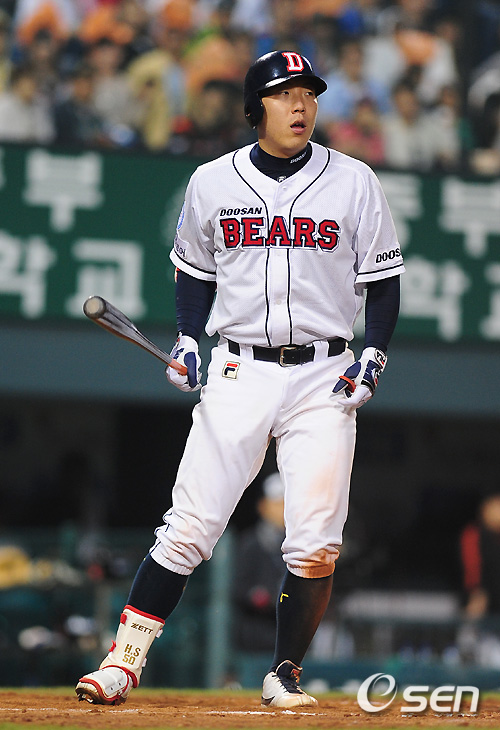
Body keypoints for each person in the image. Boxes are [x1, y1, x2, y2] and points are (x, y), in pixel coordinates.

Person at [75, 49, 404, 709]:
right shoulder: (212, 182)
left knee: (315, 544)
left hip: (324, 374)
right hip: (239, 367)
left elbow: (384, 281)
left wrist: (373, 354)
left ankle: (283, 675)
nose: (301, 105)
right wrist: (187, 338)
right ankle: (122, 663)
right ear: (257, 107)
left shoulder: (354, 180)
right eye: (285, 94)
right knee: (189, 527)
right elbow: (194, 270)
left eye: (308, 93)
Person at [233, 471, 286, 653]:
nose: (283, 509)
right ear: (263, 506)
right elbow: (238, 588)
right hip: (257, 633)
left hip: (289, 632)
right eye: (278, 503)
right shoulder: (252, 542)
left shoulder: (299, 544)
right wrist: (257, 596)